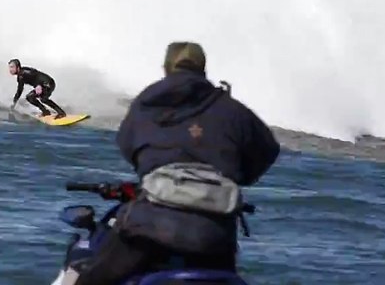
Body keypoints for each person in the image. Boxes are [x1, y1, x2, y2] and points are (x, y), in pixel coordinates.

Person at [69, 42, 280, 285]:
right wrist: (235, 175)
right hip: (214, 238)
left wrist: (150, 164)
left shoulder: (147, 102)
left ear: (167, 67)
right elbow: (267, 150)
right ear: (203, 68)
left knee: (89, 279)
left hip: (150, 230)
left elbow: (126, 142)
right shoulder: (232, 110)